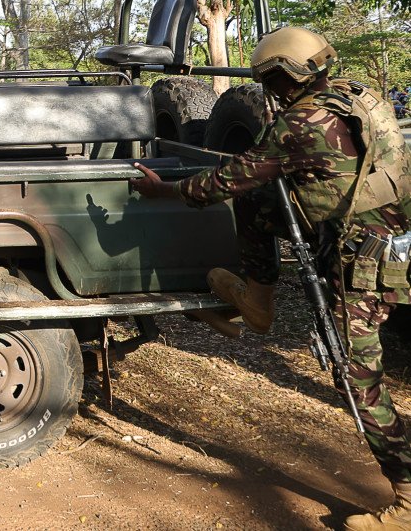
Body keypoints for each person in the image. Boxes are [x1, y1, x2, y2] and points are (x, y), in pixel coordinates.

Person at [131, 27, 411, 531]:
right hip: (379, 233)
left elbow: (225, 180)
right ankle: (256, 301)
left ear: (284, 77)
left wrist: (164, 190)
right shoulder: (359, 96)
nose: (273, 91)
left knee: (357, 376)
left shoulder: (303, 123)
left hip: (363, 259)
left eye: (273, 81)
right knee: (259, 201)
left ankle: (409, 497)